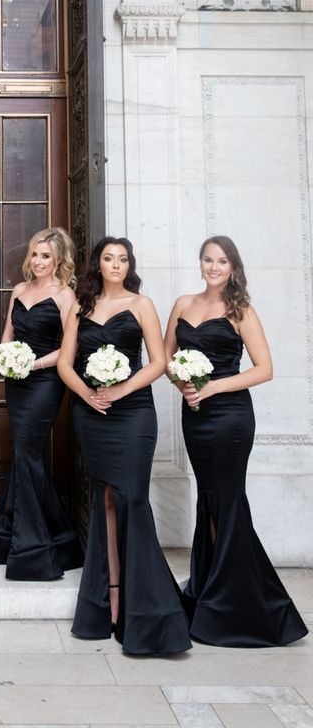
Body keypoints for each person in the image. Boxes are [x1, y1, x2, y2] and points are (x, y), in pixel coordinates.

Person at [164, 235, 307, 647]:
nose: (213, 267)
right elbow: (167, 360)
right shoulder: (182, 305)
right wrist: (185, 386)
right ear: (200, 263)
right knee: (208, 498)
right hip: (195, 415)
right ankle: (212, 588)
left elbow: (265, 369)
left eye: (221, 261)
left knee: (228, 498)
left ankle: (241, 602)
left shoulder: (241, 309)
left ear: (233, 267)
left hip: (230, 419)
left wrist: (213, 387)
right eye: (208, 260)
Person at [57, 237, 191, 655]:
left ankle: (147, 612)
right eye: (108, 258)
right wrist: (89, 394)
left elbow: (158, 362)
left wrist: (119, 390)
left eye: (123, 259)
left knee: (132, 499)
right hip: (92, 414)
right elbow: (65, 362)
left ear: (129, 264)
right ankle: (108, 600)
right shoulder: (82, 306)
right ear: (97, 264)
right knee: (105, 501)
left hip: (133, 415)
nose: (116, 264)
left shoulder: (142, 304)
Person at [0, 228, 83, 579]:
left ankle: (34, 542)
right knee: (26, 454)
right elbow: (8, 334)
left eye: (46, 256)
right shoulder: (19, 290)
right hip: (17, 382)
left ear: (58, 260)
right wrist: (8, 357)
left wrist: (34, 364)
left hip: (45, 382)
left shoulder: (65, 295)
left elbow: (71, 347)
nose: (39, 261)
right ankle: (47, 534)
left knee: (28, 452)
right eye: (35, 255)